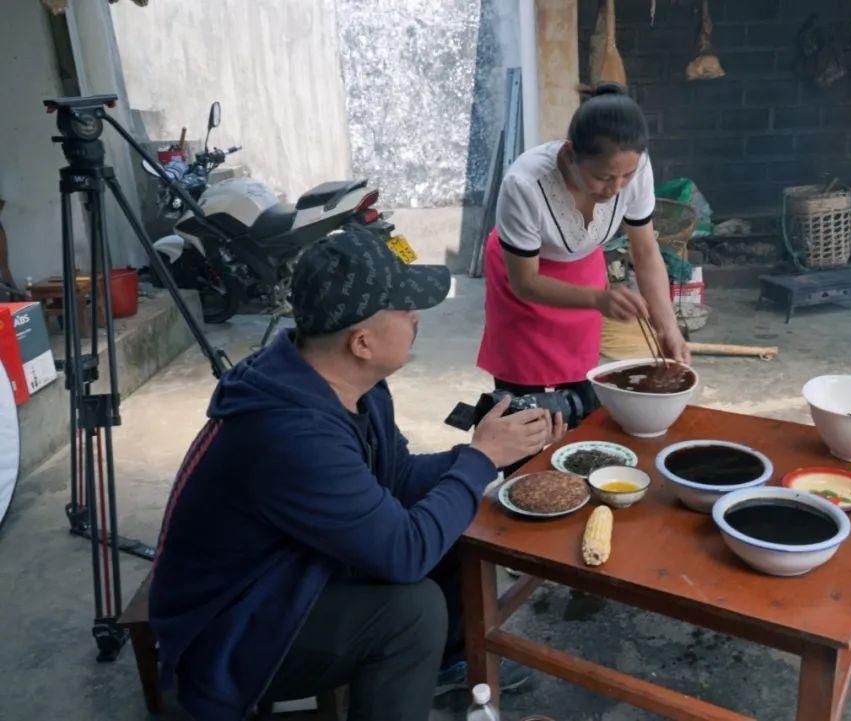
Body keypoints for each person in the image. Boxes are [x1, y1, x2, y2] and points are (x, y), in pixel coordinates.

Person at [149, 228, 566, 721]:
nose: (416, 317)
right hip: (227, 626)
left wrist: (497, 454)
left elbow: (398, 475)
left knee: (457, 518)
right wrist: (477, 462)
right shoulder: (290, 432)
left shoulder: (350, 385)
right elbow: (403, 554)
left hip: (291, 569)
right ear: (362, 342)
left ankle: (446, 665)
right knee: (411, 613)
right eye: (405, 309)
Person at [477, 83, 690, 408]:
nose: (616, 189)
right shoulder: (524, 184)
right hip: (524, 275)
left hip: (583, 273)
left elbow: (645, 251)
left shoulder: (635, 168)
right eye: (603, 178)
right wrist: (597, 299)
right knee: (520, 398)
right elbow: (526, 282)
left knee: (581, 386)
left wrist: (668, 327)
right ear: (569, 156)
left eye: (627, 176)